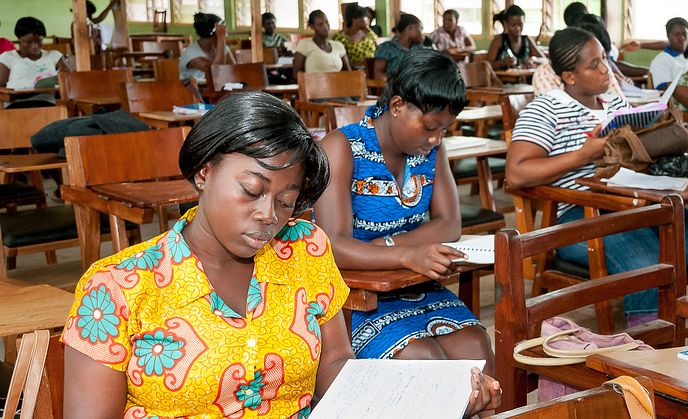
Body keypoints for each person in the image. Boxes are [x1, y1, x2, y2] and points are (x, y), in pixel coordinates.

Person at [61, 91, 500, 418]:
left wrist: (430, 397)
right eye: (251, 191)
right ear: (204, 170)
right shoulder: (117, 287)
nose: (268, 216)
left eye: (287, 200)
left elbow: (334, 363)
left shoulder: (304, 249)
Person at [506, 27, 688, 341]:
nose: (606, 69)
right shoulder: (546, 109)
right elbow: (517, 174)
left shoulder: (613, 104)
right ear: (570, 76)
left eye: (604, 59)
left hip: (638, 203)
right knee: (649, 269)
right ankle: (653, 369)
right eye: (593, 65)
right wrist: (583, 155)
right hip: (580, 214)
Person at [315, 49, 496, 379]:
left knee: (476, 349)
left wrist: (391, 247)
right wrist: (407, 254)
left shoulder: (429, 151)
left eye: (444, 129)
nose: (436, 138)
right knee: (423, 360)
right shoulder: (341, 148)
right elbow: (333, 246)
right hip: (352, 297)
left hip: (414, 286)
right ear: (397, 106)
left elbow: (449, 224)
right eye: (429, 126)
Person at [533, 19, 625, 99]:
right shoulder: (545, 74)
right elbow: (556, 111)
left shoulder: (602, 66)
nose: (605, 69)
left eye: (604, 57)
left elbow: (621, 108)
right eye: (593, 64)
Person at [0, 17, 68, 107]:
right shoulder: (8, 57)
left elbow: (69, 83)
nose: (35, 46)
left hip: (48, 106)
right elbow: (1, 89)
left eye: (39, 42)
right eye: (28, 42)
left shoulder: (54, 56)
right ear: (19, 39)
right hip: (16, 107)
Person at [293, 10, 351, 78]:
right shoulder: (305, 44)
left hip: (337, 85)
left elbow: (349, 73)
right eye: (320, 24)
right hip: (314, 86)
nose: (325, 27)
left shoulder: (338, 45)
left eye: (327, 22)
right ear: (312, 26)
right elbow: (297, 75)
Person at [179, 13, 235, 81]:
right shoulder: (191, 53)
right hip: (191, 90)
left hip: (212, 88)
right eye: (222, 29)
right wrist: (221, 38)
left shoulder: (223, 47)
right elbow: (216, 71)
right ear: (215, 31)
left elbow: (234, 70)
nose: (225, 32)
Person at [486, 5, 542, 70]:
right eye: (513, 25)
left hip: (525, 78)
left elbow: (544, 60)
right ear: (506, 24)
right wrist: (503, 62)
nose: (517, 28)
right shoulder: (499, 41)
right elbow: (486, 66)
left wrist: (533, 60)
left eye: (520, 24)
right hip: (502, 79)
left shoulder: (527, 40)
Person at [373, 13, 425, 80]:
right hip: (394, 87)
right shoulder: (387, 48)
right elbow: (378, 74)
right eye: (420, 28)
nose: (422, 33)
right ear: (410, 28)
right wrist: (394, 83)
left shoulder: (419, 48)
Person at [649, 17, 688, 90]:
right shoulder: (661, 60)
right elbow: (662, 88)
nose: (682, 38)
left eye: (685, 34)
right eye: (677, 34)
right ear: (668, 36)